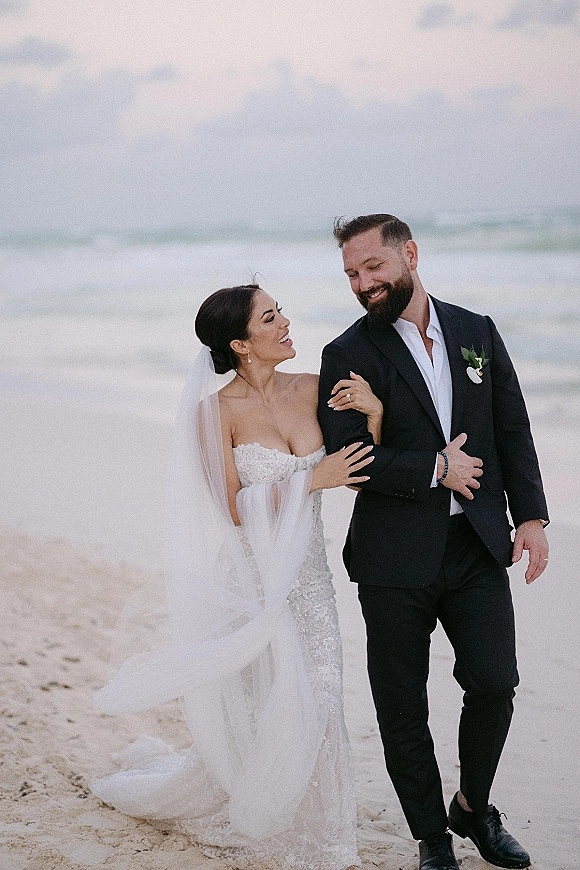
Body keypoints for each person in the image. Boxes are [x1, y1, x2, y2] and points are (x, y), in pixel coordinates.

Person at [92, 284, 381, 870]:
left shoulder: (317, 389)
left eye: (281, 312)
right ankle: (258, 804)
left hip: (308, 577)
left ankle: (329, 841)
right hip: (250, 580)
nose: (286, 322)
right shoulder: (213, 413)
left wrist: (373, 414)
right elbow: (229, 510)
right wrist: (308, 481)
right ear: (241, 344)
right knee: (265, 701)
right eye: (271, 318)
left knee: (321, 696)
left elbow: (355, 470)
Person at [317, 215, 549, 870]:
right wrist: (433, 467)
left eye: (373, 268)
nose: (364, 285)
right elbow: (346, 457)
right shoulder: (346, 354)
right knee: (401, 705)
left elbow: (512, 426)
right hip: (392, 556)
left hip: (476, 545)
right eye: (352, 275)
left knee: (495, 681)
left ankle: (473, 808)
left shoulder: (477, 333)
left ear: (409, 253)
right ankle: (430, 839)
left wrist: (530, 518)